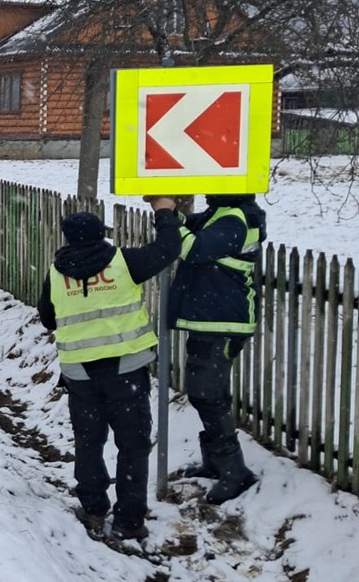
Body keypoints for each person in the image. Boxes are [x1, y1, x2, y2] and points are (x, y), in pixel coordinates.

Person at [37, 198, 181, 541]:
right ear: (101, 234)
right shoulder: (124, 262)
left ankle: (93, 506)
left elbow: (48, 317)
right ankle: (130, 520)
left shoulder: (57, 273)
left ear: (67, 238)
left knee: (89, 440)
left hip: (81, 376)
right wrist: (164, 211)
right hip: (126, 370)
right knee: (132, 444)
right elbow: (168, 248)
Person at [168, 193, 266, 504]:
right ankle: (215, 463)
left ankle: (235, 472)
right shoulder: (220, 212)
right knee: (206, 393)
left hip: (224, 322)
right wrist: (167, 212)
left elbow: (194, 248)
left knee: (207, 394)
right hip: (208, 320)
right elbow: (186, 226)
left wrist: (166, 217)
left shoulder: (235, 217)